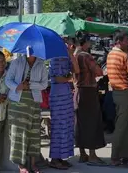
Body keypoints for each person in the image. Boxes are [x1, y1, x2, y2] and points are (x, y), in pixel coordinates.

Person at [5, 48, 49, 173]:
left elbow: (44, 84)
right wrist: (18, 86)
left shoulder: (41, 64)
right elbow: (8, 80)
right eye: (29, 48)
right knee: (18, 133)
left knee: (34, 133)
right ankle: (21, 165)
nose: (31, 51)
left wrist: (30, 85)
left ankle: (33, 164)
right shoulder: (16, 62)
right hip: (17, 102)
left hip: (34, 101)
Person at [106, 30, 128, 168]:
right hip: (123, 91)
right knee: (122, 126)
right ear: (119, 42)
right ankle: (115, 157)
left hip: (116, 92)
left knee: (127, 123)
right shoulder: (124, 56)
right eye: (126, 41)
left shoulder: (110, 55)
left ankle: (127, 154)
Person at [74, 34, 106, 166]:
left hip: (78, 91)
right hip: (88, 92)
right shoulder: (86, 56)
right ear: (85, 43)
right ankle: (92, 155)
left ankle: (83, 154)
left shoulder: (73, 56)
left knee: (80, 123)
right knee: (93, 122)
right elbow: (99, 72)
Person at [48, 38, 80, 170]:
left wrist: (71, 54)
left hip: (66, 95)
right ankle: (55, 158)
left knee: (66, 126)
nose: (69, 45)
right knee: (58, 127)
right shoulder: (55, 58)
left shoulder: (67, 56)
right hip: (58, 96)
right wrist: (69, 78)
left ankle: (61, 157)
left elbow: (76, 70)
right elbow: (56, 78)